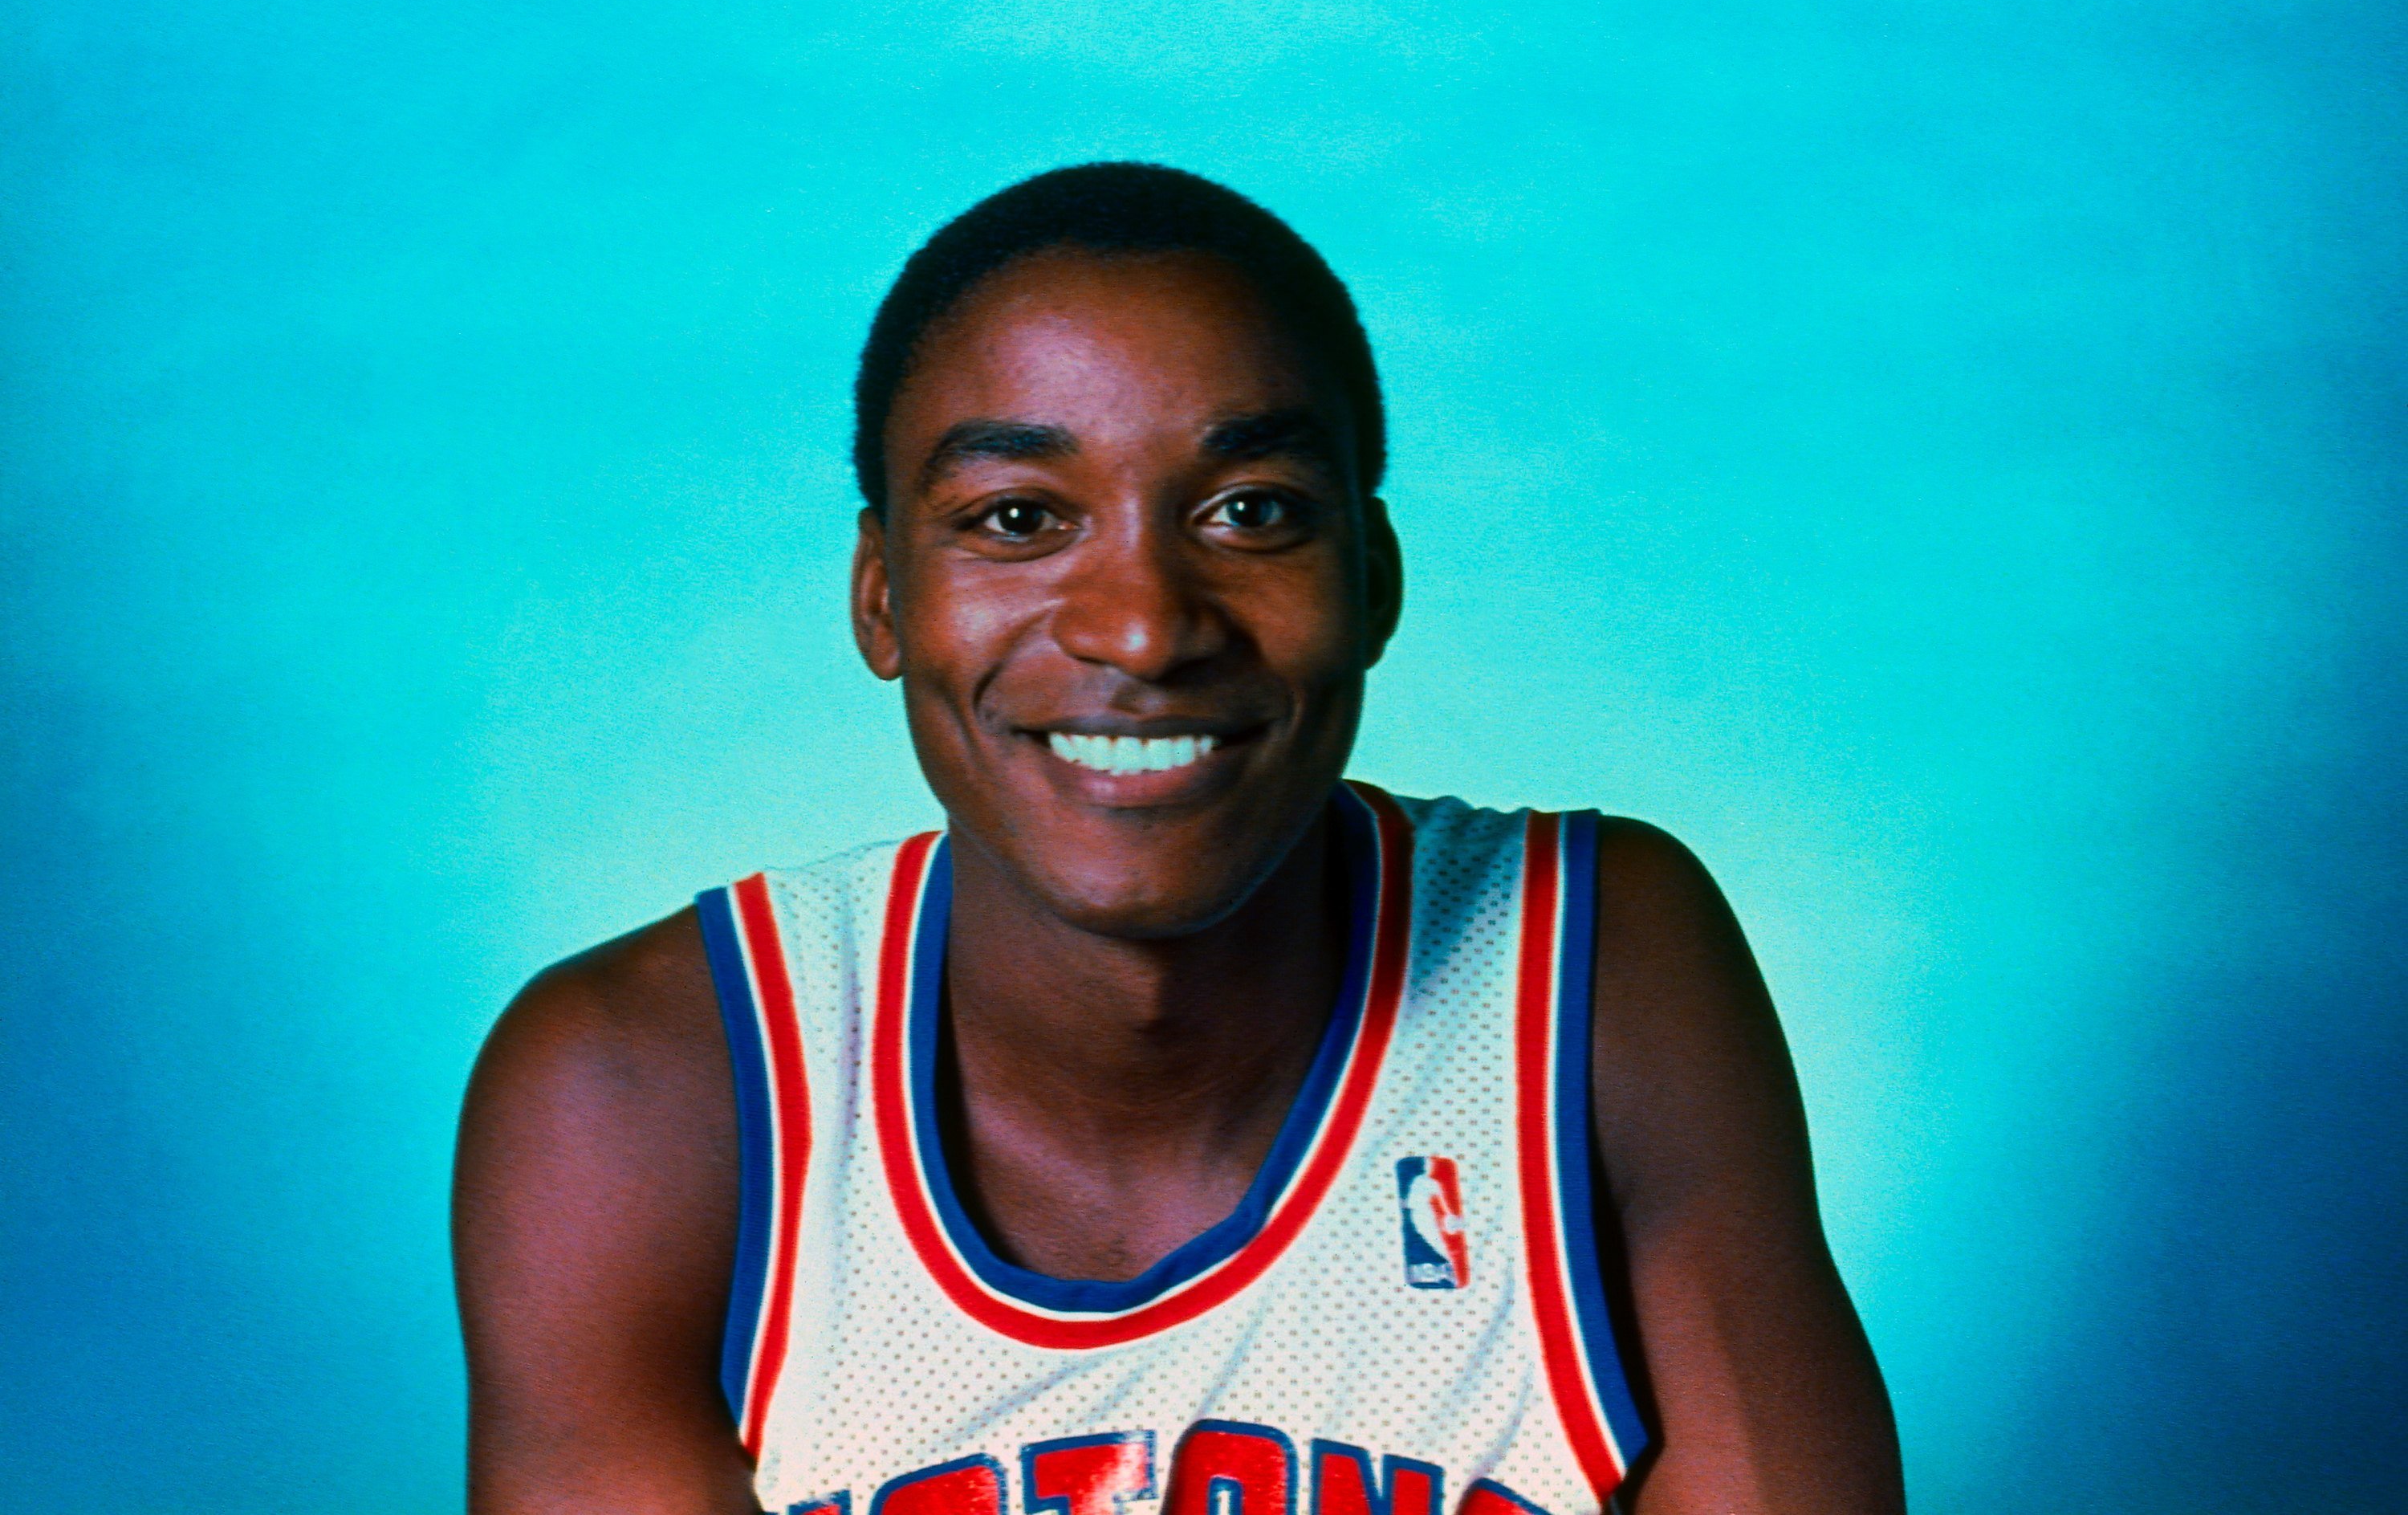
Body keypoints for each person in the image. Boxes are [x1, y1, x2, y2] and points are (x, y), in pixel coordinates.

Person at [453, 163, 1906, 1515]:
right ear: (883, 597)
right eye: (1019, 516)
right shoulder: (639, 1084)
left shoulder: (1597, 965)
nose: (1145, 629)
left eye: (1250, 511)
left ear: (1374, 579)